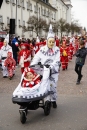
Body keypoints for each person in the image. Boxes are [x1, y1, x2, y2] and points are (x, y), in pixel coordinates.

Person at [31, 24, 60, 108]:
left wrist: (51, 66)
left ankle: (53, 100)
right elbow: (36, 57)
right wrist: (32, 65)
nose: (51, 43)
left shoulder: (57, 50)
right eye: (49, 42)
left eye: (53, 42)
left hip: (53, 70)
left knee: (52, 85)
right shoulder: (42, 49)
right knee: (41, 84)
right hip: (43, 70)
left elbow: (57, 60)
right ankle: (43, 99)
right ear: (47, 41)